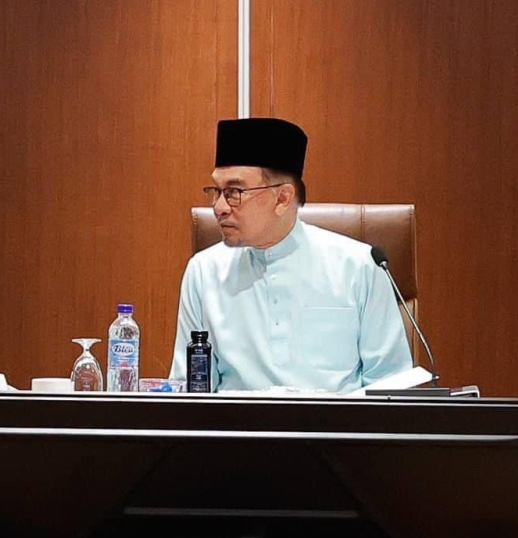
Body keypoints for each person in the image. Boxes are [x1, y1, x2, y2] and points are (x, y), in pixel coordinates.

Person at [169, 117, 411, 393]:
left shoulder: (359, 267)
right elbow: (189, 391)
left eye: (234, 192)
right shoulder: (204, 272)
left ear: (283, 198)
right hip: (235, 433)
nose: (220, 207)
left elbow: (391, 387)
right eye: (216, 191)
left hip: (335, 433)